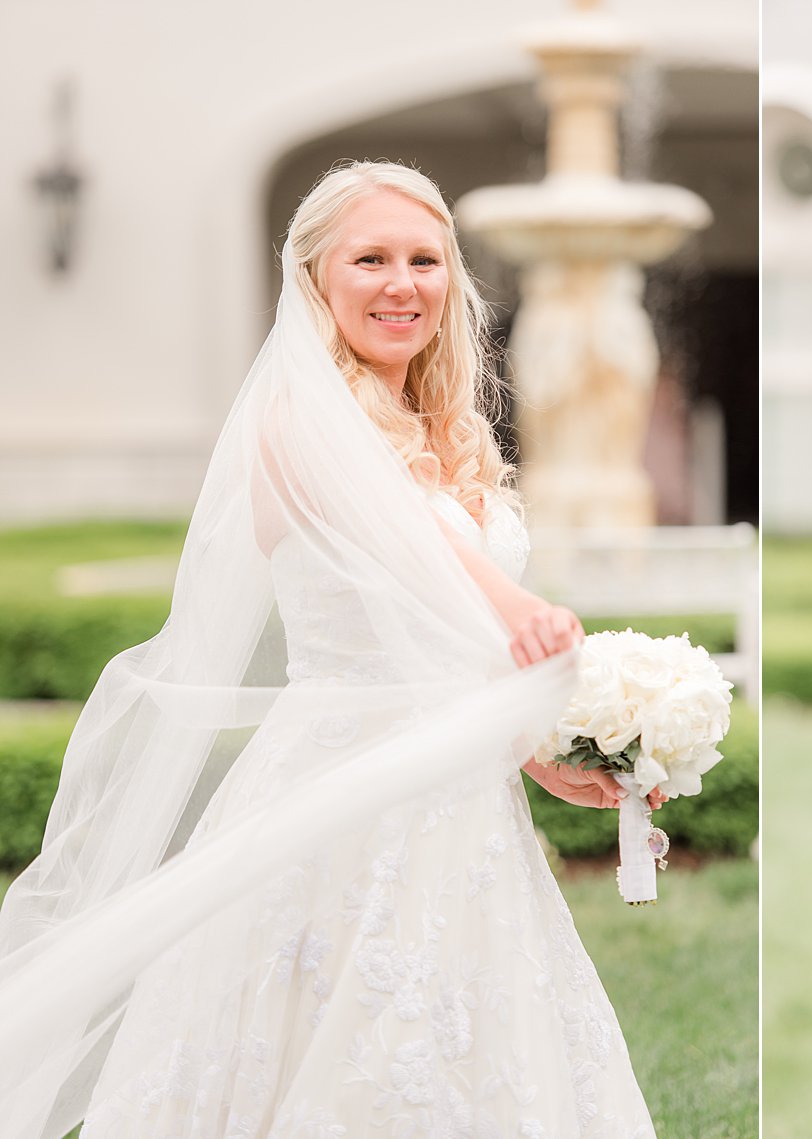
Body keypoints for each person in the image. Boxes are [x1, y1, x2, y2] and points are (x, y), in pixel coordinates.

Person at [0, 162, 660, 1137]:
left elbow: (436, 649)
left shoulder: (453, 434)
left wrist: (541, 750)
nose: (403, 282)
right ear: (315, 278)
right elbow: (405, 537)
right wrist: (514, 602)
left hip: (459, 799)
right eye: (372, 259)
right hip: (337, 788)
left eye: (424, 259)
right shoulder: (294, 422)